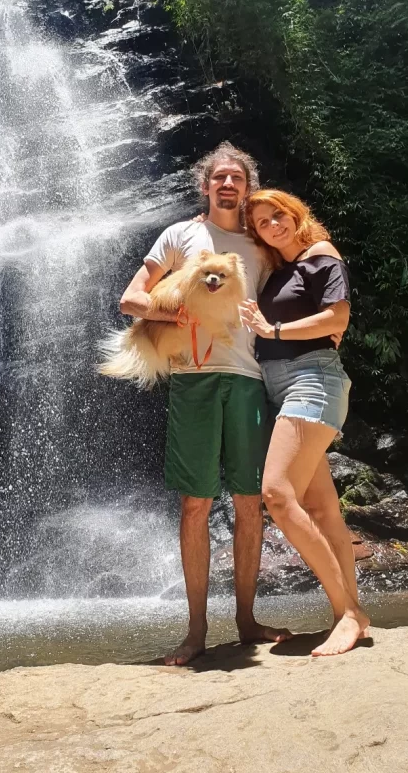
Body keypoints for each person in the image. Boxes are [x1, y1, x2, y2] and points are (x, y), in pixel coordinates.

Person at [118, 143, 292, 665]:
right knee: (195, 503)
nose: (227, 185)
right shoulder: (178, 235)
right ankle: (195, 631)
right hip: (193, 378)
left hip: (248, 378)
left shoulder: (260, 241)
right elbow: (131, 299)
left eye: (237, 178)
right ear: (205, 185)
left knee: (247, 501)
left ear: (247, 186)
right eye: (219, 177)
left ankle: (245, 619)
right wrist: (179, 319)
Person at [239, 189, 370, 656]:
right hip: (279, 385)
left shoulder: (321, 255)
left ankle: (350, 613)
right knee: (322, 508)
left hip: (313, 378)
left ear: (296, 215)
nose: (272, 224)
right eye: (261, 222)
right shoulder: (275, 272)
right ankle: (347, 615)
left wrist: (271, 330)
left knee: (276, 493)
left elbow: (338, 316)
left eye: (278, 215)